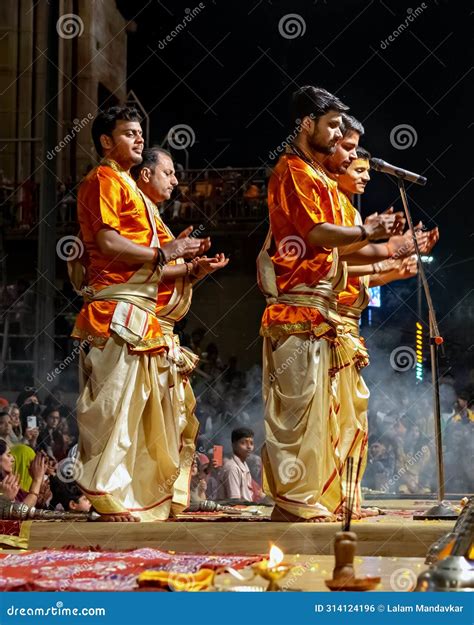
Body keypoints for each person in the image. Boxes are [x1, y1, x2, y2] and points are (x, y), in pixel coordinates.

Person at [257, 86, 401, 522]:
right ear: (306, 124)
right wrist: (368, 233)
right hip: (299, 310)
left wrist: (391, 246)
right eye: (333, 125)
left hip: (324, 312)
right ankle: (295, 500)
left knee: (328, 415)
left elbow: (343, 250)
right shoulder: (292, 172)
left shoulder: (316, 175)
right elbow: (316, 234)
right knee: (300, 411)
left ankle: (320, 497)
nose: (338, 136)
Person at [70, 106, 211, 522]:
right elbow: (107, 241)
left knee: (140, 413)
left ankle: (132, 498)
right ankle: (104, 493)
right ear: (105, 142)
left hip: (141, 312)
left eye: (139, 133)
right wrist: (164, 252)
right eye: (128, 133)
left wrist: (190, 267)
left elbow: (155, 264)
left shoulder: (131, 190)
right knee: (114, 406)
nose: (137, 139)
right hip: (117, 309)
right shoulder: (102, 180)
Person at [322, 117, 438, 515]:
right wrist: (394, 249)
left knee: (353, 416)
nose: (365, 176)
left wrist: (396, 263)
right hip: (327, 321)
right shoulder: (331, 210)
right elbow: (334, 267)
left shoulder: (348, 212)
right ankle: (329, 496)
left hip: (346, 326)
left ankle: (346, 495)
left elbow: (352, 271)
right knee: (333, 416)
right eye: (356, 166)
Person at [131, 145, 228, 517]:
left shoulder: (154, 218)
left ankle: (162, 499)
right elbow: (136, 271)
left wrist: (190, 265)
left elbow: (157, 269)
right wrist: (184, 262)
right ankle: (142, 500)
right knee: (147, 424)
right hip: (142, 330)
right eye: (168, 172)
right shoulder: (136, 213)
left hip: (162, 333)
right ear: (146, 174)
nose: (175, 180)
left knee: (176, 420)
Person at [0, 439, 48, 507]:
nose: (13, 460)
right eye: (8, 455)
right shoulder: (4, 489)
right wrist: (37, 480)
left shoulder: (10, 485)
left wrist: (39, 494)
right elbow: (21, 511)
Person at [221, 427, 255, 501]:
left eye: (251, 443)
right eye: (243, 443)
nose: (249, 447)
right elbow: (234, 501)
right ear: (233, 445)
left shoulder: (245, 466)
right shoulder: (232, 468)